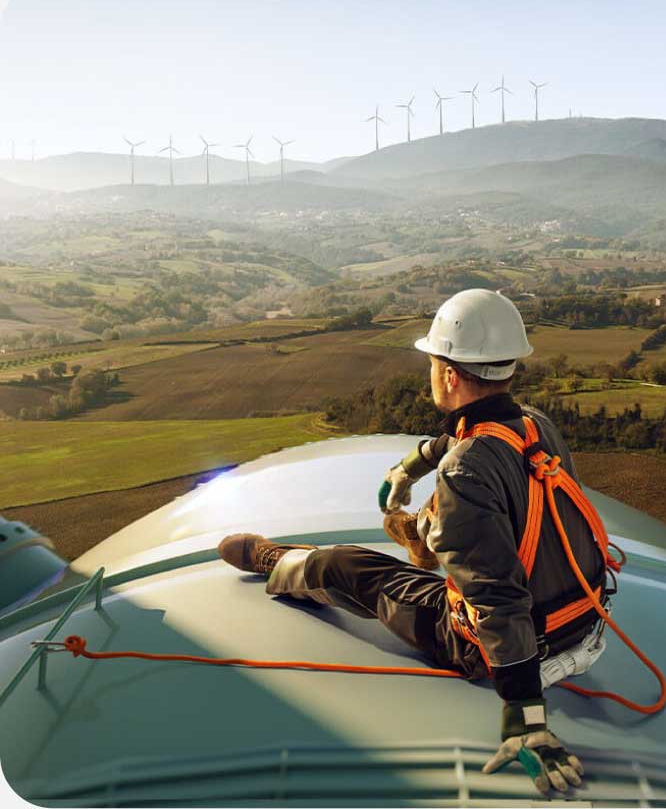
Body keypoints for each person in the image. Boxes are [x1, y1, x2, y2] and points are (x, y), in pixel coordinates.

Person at [218, 289, 607, 795]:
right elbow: (470, 437)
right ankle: (425, 535)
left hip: (515, 652)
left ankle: (280, 562)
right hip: (587, 626)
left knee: (347, 566)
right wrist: (412, 464)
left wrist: (526, 717)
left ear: (448, 374)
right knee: (453, 531)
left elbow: (498, 599)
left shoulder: (465, 471)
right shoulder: (535, 424)